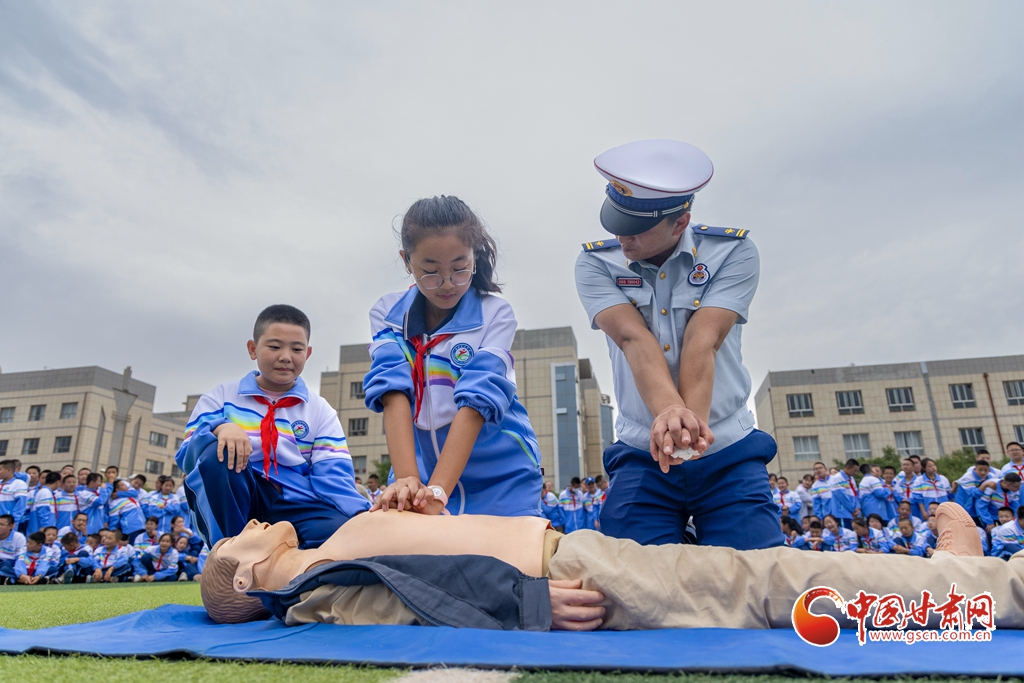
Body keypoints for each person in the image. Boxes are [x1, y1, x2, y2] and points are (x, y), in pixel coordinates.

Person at [201, 502, 1024, 632]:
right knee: (773, 584)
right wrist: (528, 603)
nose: (249, 525)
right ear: (244, 579)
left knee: (768, 577)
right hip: (572, 576)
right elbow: (407, 603)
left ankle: (949, 578)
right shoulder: (309, 589)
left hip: (574, 554)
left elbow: (422, 562)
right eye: (236, 540)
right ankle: (990, 587)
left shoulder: (324, 555)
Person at [573, 140, 780, 549]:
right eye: (617, 222)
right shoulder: (597, 262)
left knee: (755, 572)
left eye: (636, 228)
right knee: (631, 576)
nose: (622, 236)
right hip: (642, 451)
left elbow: (704, 339)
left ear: (680, 222)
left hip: (727, 449)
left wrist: (689, 436)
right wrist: (670, 414)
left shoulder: (731, 253)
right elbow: (634, 339)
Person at [363, 197, 543, 518]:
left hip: (501, 479)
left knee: (508, 549)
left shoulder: (495, 314)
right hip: (419, 471)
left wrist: (437, 492)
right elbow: (393, 392)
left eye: (460, 269)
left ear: (475, 255)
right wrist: (408, 483)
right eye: (430, 272)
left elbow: (477, 402)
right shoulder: (387, 315)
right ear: (407, 262)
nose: (447, 284)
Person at [176, 304, 369, 549]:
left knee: (340, 532)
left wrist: (361, 514)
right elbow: (187, 456)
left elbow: (333, 473)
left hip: (295, 502)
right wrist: (220, 428)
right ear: (252, 349)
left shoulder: (319, 409)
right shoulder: (222, 397)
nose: (285, 356)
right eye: (275, 347)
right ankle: (230, 553)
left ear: (308, 353)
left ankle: (292, 567)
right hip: (238, 498)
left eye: (296, 349)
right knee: (218, 453)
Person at [827, 460, 860, 529]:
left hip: (852, 512)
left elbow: (856, 494)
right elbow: (842, 497)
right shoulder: (837, 478)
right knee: (845, 532)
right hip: (842, 513)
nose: (856, 473)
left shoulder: (851, 479)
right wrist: (852, 509)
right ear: (848, 468)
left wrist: (857, 506)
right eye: (854, 470)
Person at [0, 460, 29, 528]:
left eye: (0, 469)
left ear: (9, 470)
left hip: (8, 523)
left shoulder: (19, 484)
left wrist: (14, 521)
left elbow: (21, 505)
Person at [0, 514, 27, 584]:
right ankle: (14, 579)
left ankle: (14, 578)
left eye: (1, 525)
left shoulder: (19, 537)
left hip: (11, 564)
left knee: (5, 566)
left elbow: (20, 557)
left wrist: (21, 573)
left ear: (11, 526)